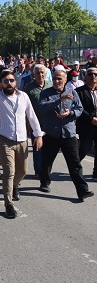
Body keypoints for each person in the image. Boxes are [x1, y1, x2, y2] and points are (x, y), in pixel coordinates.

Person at [0, 66, 43, 219]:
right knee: (9, 172)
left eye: (11, 80)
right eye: (5, 81)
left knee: (23, 171)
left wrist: (38, 135)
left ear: (16, 82)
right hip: (4, 139)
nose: (9, 83)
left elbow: (32, 117)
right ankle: (8, 204)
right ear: (0, 83)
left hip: (22, 140)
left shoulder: (24, 97)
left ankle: (14, 186)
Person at [37, 70, 93, 201]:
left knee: (75, 164)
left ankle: (82, 190)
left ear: (65, 79)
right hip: (52, 133)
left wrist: (70, 114)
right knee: (47, 161)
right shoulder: (46, 93)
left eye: (60, 79)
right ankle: (44, 182)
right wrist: (59, 99)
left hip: (69, 133)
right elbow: (41, 108)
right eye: (55, 78)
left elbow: (79, 109)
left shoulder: (72, 92)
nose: (57, 81)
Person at [23, 64, 52, 179]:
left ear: (45, 73)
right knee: (37, 148)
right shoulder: (28, 88)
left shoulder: (50, 86)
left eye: (42, 72)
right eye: (38, 73)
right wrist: (27, 123)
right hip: (36, 124)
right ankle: (39, 171)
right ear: (33, 75)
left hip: (50, 123)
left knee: (49, 148)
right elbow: (24, 108)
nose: (40, 74)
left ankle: (46, 169)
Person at [76, 66, 97, 179]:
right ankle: (74, 167)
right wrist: (90, 119)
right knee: (85, 148)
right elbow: (78, 107)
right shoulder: (79, 92)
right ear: (85, 77)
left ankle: (96, 172)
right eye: (90, 74)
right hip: (86, 125)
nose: (93, 76)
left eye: (95, 74)